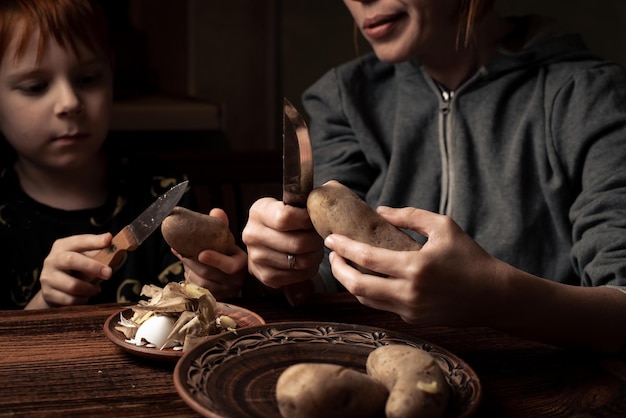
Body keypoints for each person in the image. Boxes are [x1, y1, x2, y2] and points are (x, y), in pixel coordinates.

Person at [242, 0, 626, 353]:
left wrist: (496, 298)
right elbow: (327, 271)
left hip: (544, 381)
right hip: (373, 364)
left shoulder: (588, 95)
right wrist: (284, 270)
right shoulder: (344, 98)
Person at [0, 0, 247, 310]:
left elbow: (191, 313)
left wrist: (215, 285)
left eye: (88, 79)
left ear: (111, 73)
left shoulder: (160, 190)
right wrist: (44, 303)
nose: (69, 102)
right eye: (35, 86)